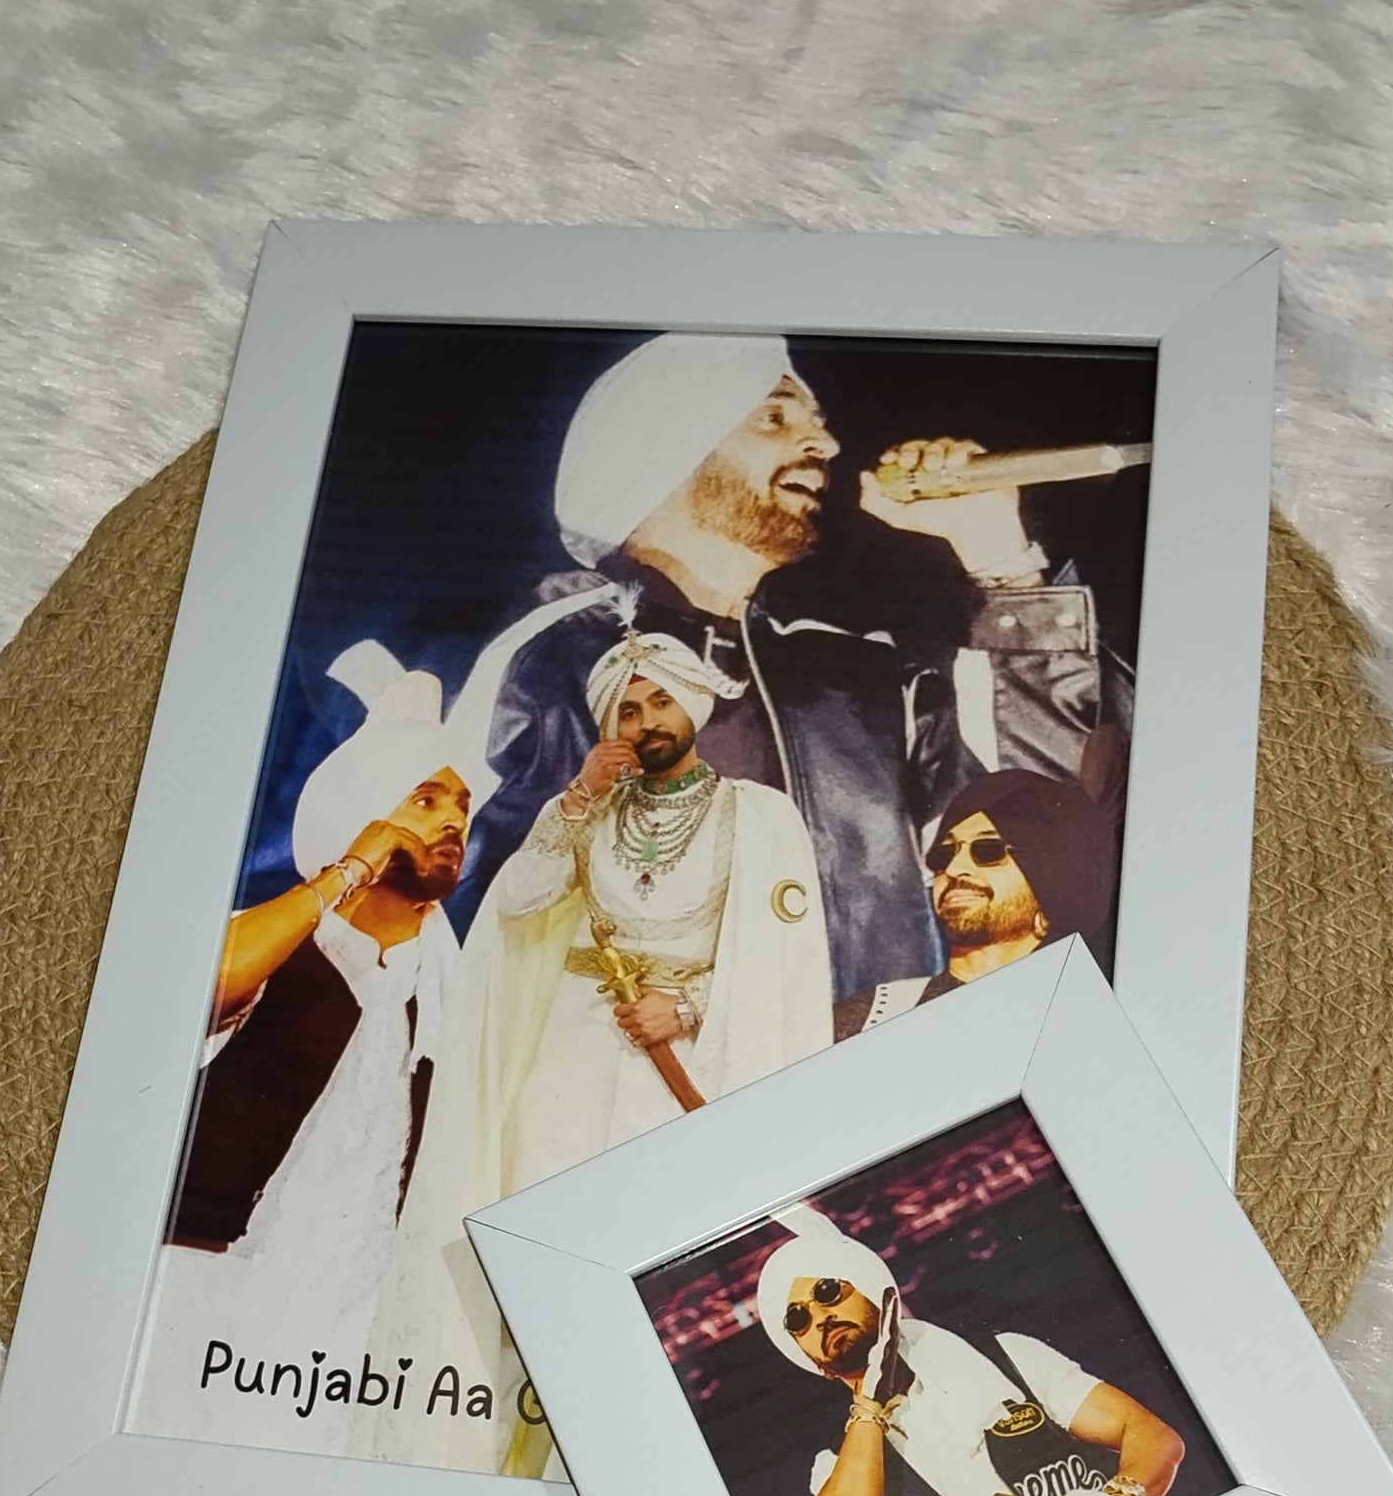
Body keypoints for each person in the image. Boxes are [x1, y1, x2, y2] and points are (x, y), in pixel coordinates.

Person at [447, 332, 1134, 1001]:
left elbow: (1048, 829)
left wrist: (1000, 554)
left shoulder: (861, 675)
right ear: (663, 451)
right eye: (775, 417)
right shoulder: (545, 655)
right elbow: (445, 921)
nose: (826, 444)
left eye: (818, 420)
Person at [357, 629, 832, 1476]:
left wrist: (684, 1006)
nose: (647, 721)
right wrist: (576, 796)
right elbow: (518, 901)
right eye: (628, 709)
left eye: (660, 701)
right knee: (541, 1252)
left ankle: (597, 1470)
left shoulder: (757, 814)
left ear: (694, 702)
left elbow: (782, 961)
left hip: (685, 1068)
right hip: (573, 1057)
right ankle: (498, 1459)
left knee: (642, 1268)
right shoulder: (588, 809)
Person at [130, 651, 474, 1453]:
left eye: (460, 805)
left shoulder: (445, 991)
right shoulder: (276, 946)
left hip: (342, 1339)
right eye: (425, 799)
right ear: (363, 812)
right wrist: (349, 869)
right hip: (201, 1297)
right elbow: (201, 988)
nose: (453, 821)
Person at [756, 1215, 1184, 1496]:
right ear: (810, 1359)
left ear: (872, 1290)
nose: (820, 1317)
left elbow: (1152, 1436)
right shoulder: (838, 1465)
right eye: (797, 1319)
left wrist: (1118, 1495)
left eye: (828, 1291)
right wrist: (869, 1405)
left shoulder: (1010, 1358)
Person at [833, 768, 1121, 1040]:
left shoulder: (1088, 1027)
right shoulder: (865, 1019)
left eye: (988, 850)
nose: (954, 869)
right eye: (945, 854)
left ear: (1051, 885)